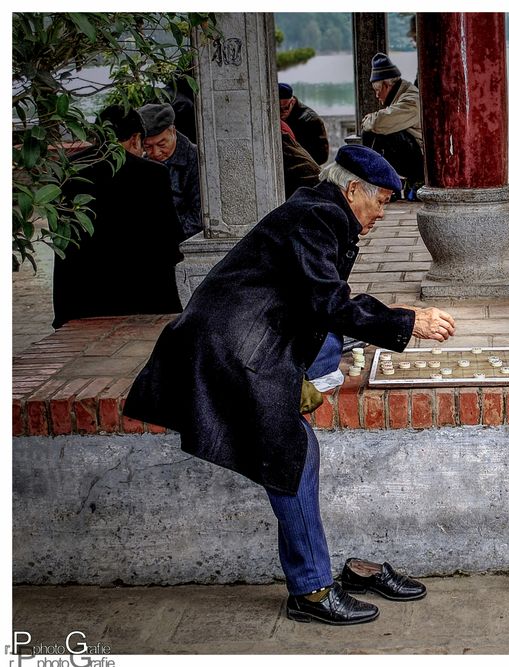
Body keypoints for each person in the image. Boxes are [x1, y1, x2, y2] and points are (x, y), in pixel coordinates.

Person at [123, 145, 456, 626]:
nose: (384, 210)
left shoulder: (322, 212)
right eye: (381, 200)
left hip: (256, 339)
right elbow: (328, 300)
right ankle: (312, 590)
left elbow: (315, 303)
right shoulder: (317, 218)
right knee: (294, 459)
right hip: (237, 350)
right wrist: (409, 321)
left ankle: (320, 572)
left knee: (301, 430)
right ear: (352, 189)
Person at [52, 105, 182, 328]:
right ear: (135, 139)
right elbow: (170, 239)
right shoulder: (152, 174)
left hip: (85, 298)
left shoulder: (69, 171)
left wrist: (63, 310)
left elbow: (64, 244)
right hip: (145, 296)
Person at [361, 52, 424, 200]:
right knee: (372, 132)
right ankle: (382, 184)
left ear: (386, 85)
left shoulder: (411, 100)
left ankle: (383, 184)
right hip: (416, 156)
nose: (377, 96)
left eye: (378, 91)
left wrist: (368, 120)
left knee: (379, 132)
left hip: (422, 160)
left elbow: (379, 122)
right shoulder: (401, 96)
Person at [138, 103, 202, 241]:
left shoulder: (197, 161)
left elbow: (198, 218)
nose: (155, 153)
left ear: (173, 131)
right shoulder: (143, 163)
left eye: (162, 144)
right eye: (147, 146)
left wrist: (165, 240)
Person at [278, 83, 330, 166]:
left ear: (292, 101)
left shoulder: (311, 120)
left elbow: (321, 157)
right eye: (278, 108)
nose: (281, 113)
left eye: (285, 108)